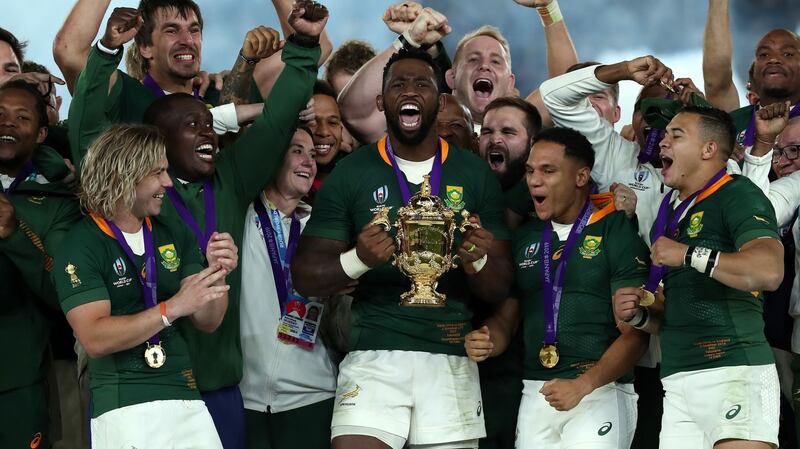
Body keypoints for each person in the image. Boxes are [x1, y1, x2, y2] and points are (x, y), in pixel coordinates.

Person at [67, 3, 327, 447]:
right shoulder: (134, 193)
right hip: (145, 389)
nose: (209, 133)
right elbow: (88, 132)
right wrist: (108, 51)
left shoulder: (232, 175)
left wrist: (303, 44)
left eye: (209, 124)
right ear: (160, 144)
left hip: (221, 385)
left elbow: (278, 118)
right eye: (194, 125)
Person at [292, 48, 512, 449]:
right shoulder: (351, 172)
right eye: (398, 84)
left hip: (450, 355)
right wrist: (358, 259)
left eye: (421, 83)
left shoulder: (474, 174)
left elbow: (499, 288)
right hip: (372, 354)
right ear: (381, 102)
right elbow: (305, 275)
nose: (410, 91)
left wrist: (477, 259)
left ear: (440, 101)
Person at [53, 124, 237, 448]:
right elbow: (94, 338)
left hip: (185, 394)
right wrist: (171, 308)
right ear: (123, 176)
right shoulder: (80, 244)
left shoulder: (171, 231)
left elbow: (208, 321)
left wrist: (217, 272)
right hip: (123, 403)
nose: (168, 182)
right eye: (157, 173)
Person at [466, 127, 650, 449]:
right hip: (536, 392)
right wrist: (487, 339)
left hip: (599, 391)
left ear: (581, 176)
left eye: (548, 171)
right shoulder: (526, 238)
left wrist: (583, 385)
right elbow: (508, 317)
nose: (534, 181)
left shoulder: (615, 230)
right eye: (530, 171)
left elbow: (636, 335)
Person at [614, 106, 783, 449]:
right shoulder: (671, 208)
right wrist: (640, 314)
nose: (663, 141)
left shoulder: (736, 193)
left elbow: (769, 271)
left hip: (735, 372)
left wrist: (689, 254)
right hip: (678, 380)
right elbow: (678, 308)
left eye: (676, 135)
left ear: (708, 149)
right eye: (665, 134)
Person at [338, 0, 578, 144]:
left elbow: (568, 90)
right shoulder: (421, 126)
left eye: (496, 62)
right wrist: (409, 39)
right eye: (473, 60)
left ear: (510, 83)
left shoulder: (524, 124)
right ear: (451, 77)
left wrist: (548, 8)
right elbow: (355, 113)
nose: (484, 66)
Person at [239, 127, 338, 449]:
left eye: (313, 155)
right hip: (246, 397)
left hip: (314, 394)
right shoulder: (240, 219)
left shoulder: (323, 231)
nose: (309, 162)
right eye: (297, 151)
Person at [0, 80, 81, 449]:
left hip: (18, 381)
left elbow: (62, 290)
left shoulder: (58, 203)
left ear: (41, 134)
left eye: (22, 117)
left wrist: (14, 233)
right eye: (0, 114)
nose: (8, 123)